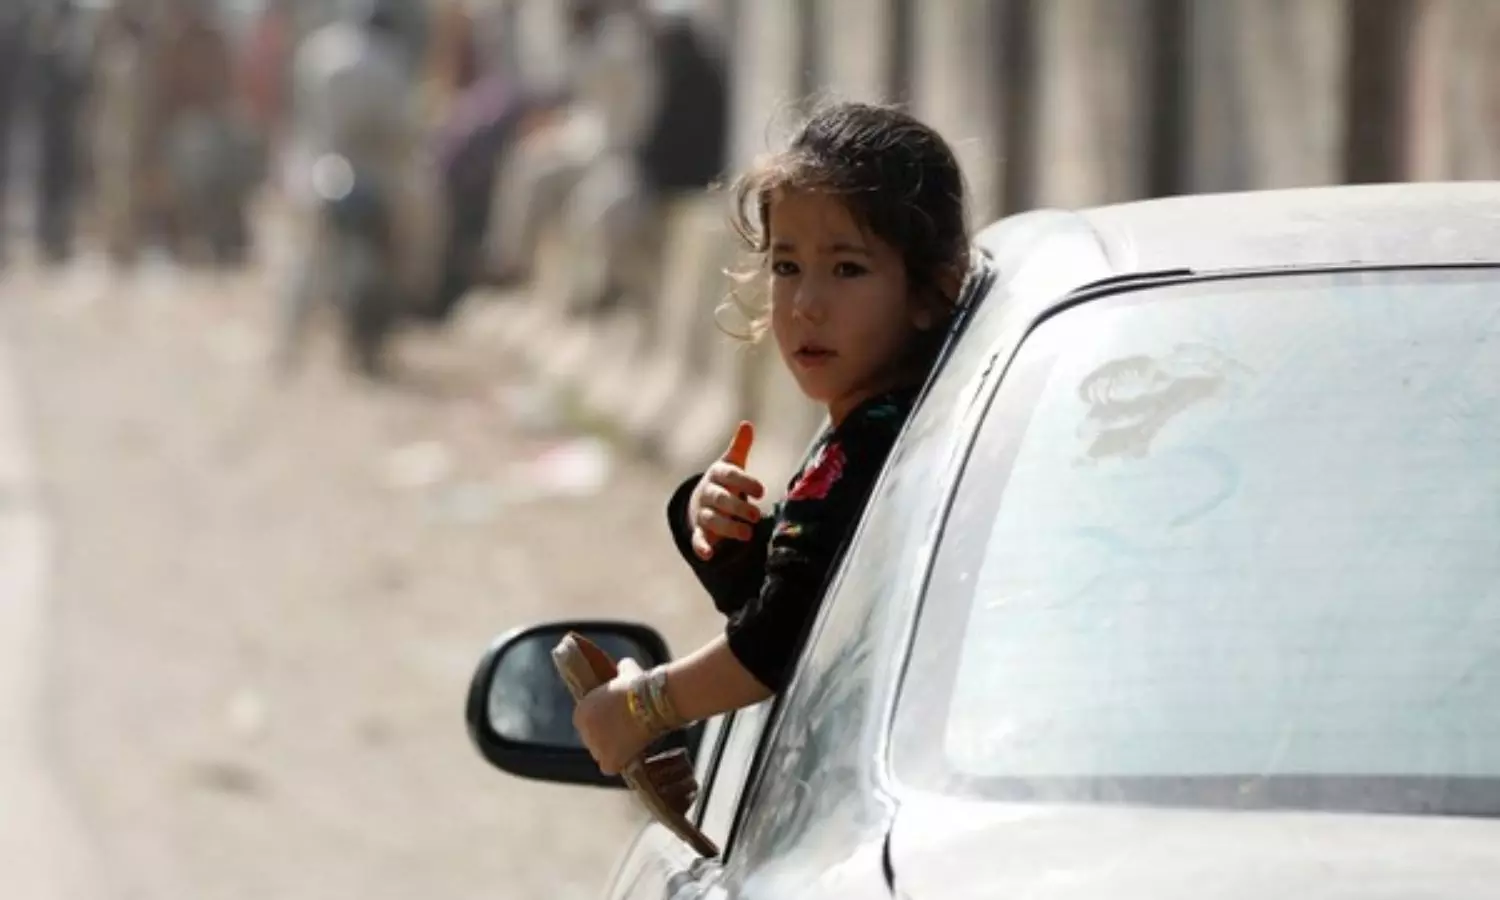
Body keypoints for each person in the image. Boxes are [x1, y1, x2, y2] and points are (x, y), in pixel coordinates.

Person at [573, 102, 973, 775]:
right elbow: (801, 593)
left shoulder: (876, 443)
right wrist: (717, 526)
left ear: (929, 291)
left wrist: (644, 708)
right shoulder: (880, 426)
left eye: (847, 269)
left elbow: (780, 640)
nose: (806, 304)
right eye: (787, 267)